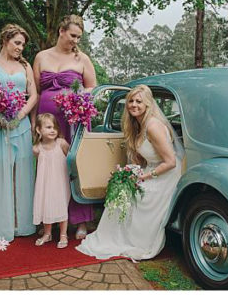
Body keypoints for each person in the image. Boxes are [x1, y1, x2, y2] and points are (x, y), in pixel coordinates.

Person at [77, 85, 182, 260]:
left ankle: (136, 241)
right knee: (123, 190)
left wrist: (145, 176)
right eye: (131, 101)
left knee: (137, 195)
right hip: (154, 169)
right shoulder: (138, 125)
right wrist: (131, 173)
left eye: (139, 101)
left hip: (167, 176)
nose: (133, 104)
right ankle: (113, 236)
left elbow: (170, 162)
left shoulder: (153, 126)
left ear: (148, 104)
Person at [33, 14, 98, 239]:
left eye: (79, 37)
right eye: (72, 35)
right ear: (61, 31)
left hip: (73, 119)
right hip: (48, 120)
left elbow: (93, 89)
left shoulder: (82, 59)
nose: (75, 41)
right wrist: (35, 123)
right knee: (50, 168)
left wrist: (76, 98)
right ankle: (50, 218)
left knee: (73, 166)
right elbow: (37, 92)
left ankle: (80, 221)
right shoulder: (41, 57)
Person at [0, 24, 38, 241]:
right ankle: (0, 226)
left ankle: (23, 224)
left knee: (23, 172)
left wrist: (21, 115)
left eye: (23, 44)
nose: (20, 48)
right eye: (17, 43)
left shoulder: (26, 67)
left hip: (20, 125)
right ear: (5, 40)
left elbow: (33, 95)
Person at [32, 114, 71, 248]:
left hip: (60, 182)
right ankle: (47, 233)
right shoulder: (37, 148)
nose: (53, 130)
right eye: (48, 127)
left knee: (61, 205)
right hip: (44, 183)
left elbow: (70, 158)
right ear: (38, 130)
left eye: (54, 127)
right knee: (46, 204)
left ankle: (63, 234)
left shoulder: (61, 143)